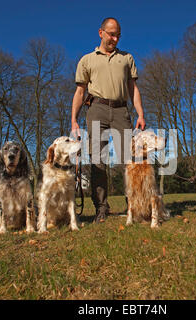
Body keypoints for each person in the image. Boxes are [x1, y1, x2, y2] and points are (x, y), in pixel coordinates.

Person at [71, 17, 146, 223]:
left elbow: (133, 89)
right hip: (97, 109)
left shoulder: (127, 58)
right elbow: (79, 92)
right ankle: (101, 208)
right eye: (111, 34)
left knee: (129, 161)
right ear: (101, 32)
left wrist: (140, 113)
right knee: (97, 160)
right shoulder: (87, 60)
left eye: (118, 35)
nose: (114, 38)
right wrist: (74, 121)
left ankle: (134, 206)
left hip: (121, 111)